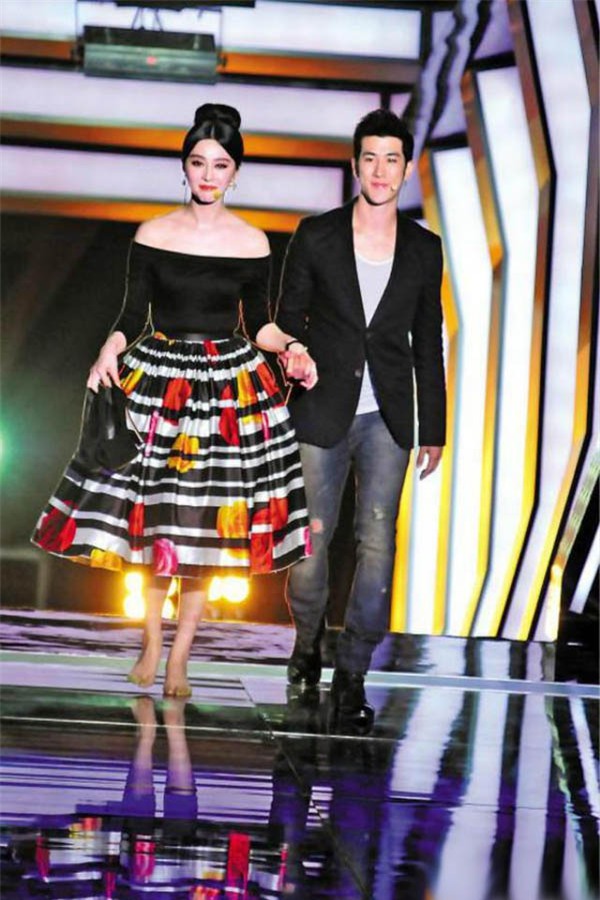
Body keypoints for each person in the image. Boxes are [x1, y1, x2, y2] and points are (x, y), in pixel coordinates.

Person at [32, 103, 318, 698]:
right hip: (160, 380)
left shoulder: (252, 242)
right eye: (198, 163)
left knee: (205, 528)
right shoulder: (153, 234)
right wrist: (108, 350)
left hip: (227, 389)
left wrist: (292, 346)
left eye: (220, 165)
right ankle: (151, 644)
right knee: (158, 521)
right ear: (184, 167)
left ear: (235, 173)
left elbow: (260, 324)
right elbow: (131, 315)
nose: (208, 175)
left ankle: (181, 655)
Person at [276, 109, 446, 731]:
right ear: (355, 165)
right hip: (321, 407)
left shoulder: (424, 248)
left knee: (378, 542)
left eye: (391, 159)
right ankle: (308, 638)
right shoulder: (316, 235)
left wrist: (434, 428)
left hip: (389, 417)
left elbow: (428, 340)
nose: (380, 170)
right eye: (370, 158)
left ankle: (352, 672)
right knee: (311, 541)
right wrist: (294, 352)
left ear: (407, 168)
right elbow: (287, 319)